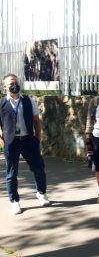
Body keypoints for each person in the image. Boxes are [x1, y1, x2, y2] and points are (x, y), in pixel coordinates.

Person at [2, 74, 49, 215]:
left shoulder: (28, 100)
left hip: (28, 140)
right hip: (11, 142)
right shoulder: (2, 103)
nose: (14, 85)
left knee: (39, 168)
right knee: (11, 174)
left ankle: (41, 193)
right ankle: (14, 201)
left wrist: (37, 139)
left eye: (16, 82)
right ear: (4, 86)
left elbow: (36, 120)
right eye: (11, 83)